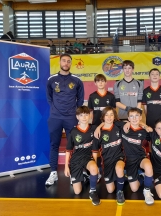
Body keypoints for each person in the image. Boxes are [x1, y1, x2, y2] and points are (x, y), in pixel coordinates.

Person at [45, 53, 84, 186]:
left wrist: (74, 114)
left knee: (74, 145)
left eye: (68, 61)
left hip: (71, 118)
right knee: (54, 145)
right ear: (60, 62)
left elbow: (80, 99)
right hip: (55, 117)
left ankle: (74, 171)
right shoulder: (51, 79)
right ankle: (53, 173)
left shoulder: (77, 80)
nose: (66, 63)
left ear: (71, 64)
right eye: (64, 61)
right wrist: (56, 109)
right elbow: (49, 98)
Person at [64, 106, 100, 206]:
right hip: (76, 160)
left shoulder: (94, 129)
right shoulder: (73, 131)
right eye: (81, 115)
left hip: (88, 157)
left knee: (93, 168)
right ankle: (82, 175)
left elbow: (95, 149)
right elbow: (68, 150)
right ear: (77, 117)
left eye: (86, 115)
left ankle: (92, 192)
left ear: (90, 116)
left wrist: (96, 167)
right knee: (77, 192)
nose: (84, 117)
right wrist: (66, 166)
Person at [120, 107, 155, 205]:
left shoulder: (145, 131)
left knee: (148, 165)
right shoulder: (123, 127)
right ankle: (141, 176)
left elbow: (157, 134)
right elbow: (107, 122)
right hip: (129, 160)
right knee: (134, 189)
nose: (134, 118)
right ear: (128, 118)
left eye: (136, 116)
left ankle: (147, 191)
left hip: (141, 157)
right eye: (131, 116)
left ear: (140, 117)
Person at [93, 106, 126, 205]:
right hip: (107, 161)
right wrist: (95, 166)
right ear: (103, 117)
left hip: (119, 157)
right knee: (110, 190)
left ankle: (120, 192)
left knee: (119, 168)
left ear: (114, 116)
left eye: (111, 114)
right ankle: (120, 177)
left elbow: (132, 122)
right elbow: (95, 151)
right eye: (106, 115)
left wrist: (145, 126)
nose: (109, 117)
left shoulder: (118, 126)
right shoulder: (98, 132)